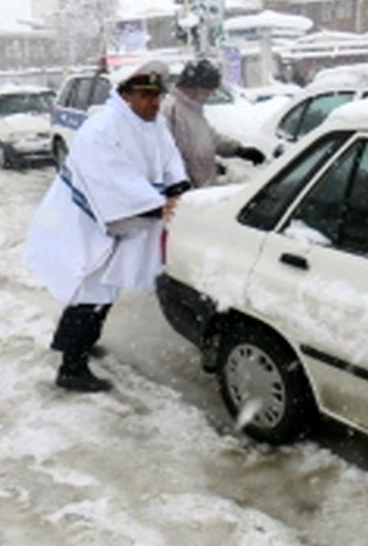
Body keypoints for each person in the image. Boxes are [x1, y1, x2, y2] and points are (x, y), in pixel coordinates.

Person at [24, 61, 189, 393]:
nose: (153, 103)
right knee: (93, 287)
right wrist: (155, 203)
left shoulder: (152, 124)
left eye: (156, 95)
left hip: (122, 218)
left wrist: (176, 187)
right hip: (90, 220)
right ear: (125, 95)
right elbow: (111, 176)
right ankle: (72, 367)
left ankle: (69, 340)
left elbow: (169, 158)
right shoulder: (102, 127)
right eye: (144, 95)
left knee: (100, 287)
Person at [161, 59, 266, 188]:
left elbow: (211, 138)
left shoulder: (193, 110)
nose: (210, 95)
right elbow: (164, 156)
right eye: (208, 90)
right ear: (195, 87)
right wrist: (179, 184)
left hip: (204, 190)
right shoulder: (170, 112)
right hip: (187, 195)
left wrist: (239, 150)